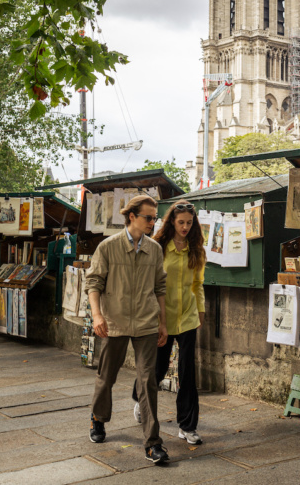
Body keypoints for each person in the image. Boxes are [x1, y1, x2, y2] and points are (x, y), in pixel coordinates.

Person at [86, 195, 170, 465]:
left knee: (148, 381)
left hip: (146, 322)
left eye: (154, 218)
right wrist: (97, 315)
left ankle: (152, 443)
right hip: (115, 322)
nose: (152, 222)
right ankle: (98, 419)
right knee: (106, 376)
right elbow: (94, 283)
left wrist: (163, 323)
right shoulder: (108, 247)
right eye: (148, 217)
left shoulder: (154, 249)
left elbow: (160, 288)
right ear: (132, 216)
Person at [131, 200, 205, 446]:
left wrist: (201, 311)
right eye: (181, 222)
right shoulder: (158, 247)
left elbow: (198, 285)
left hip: (188, 317)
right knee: (157, 366)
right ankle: (139, 398)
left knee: (188, 373)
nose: (185, 227)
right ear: (171, 221)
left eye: (189, 223)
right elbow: (149, 283)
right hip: (161, 317)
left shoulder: (196, 249)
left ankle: (188, 426)